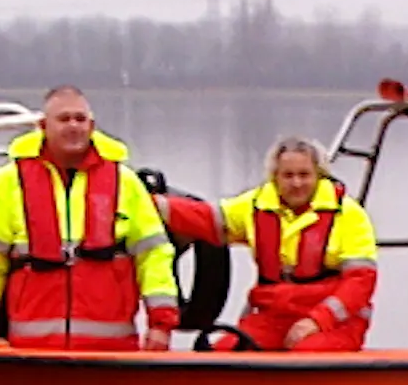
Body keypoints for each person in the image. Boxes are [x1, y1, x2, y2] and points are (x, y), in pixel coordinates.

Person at [0, 85, 179, 350]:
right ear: (43, 125)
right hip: (31, 352)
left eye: (80, 119)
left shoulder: (125, 182)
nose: (73, 126)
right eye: (63, 119)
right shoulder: (9, 183)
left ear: (92, 125)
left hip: (112, 351)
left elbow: (154, 257)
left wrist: (161, 325)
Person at [156, 136, 378, 352]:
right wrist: (152, 204)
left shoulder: (348, 215)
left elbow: (360, 281)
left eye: (304, 175)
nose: (297, 183)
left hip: (335, 322)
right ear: (275, 177)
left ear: (319, 175)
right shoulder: (255, 205)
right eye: (288, 175)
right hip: (273, 317)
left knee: (307, 353)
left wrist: (318, 320)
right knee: (226, 351)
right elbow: (206, 218)